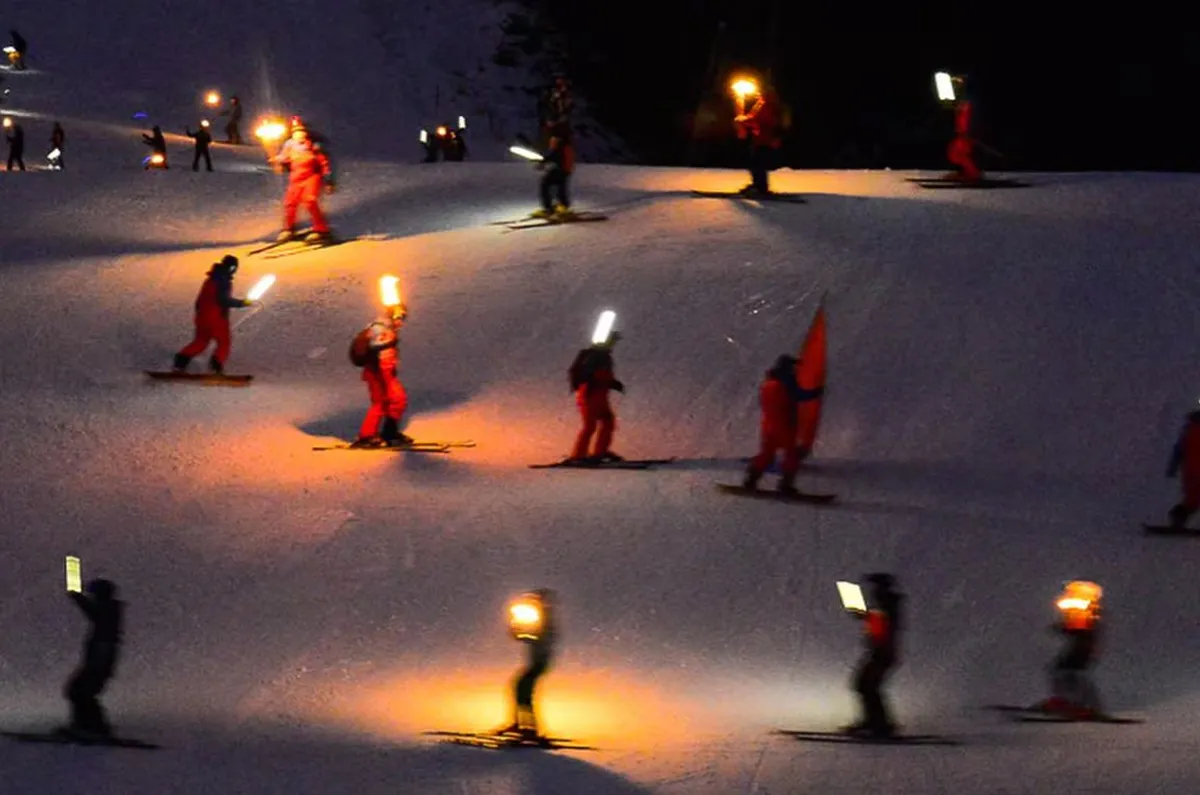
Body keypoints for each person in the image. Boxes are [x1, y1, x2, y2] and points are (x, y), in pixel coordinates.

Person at [743, 354, 824, 494]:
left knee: (767, 454)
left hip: (768, 425)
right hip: (785, 425)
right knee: (791, 455)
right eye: (793, 367)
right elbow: (800, 395)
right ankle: (785, 485)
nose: (794, 370)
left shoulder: (767, 383)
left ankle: (750, 480)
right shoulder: (787, 381)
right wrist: (817, 392)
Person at [172, 255, 257, 374]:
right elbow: (222, 300)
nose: (234, 271)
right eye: (233, 268)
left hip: (202, 316)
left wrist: (200, 314)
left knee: (201, 341)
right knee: (224, 342)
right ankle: (215, 367)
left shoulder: (211, 279)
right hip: (216, 317)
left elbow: (199, 300)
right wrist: (242, 303)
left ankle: (179, 363)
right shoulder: (223, 280)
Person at [843, 573, 902, 738]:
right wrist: (866, 616)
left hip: (883, 653)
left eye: (875, 588)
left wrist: (866, 616)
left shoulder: (887, 604)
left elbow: (883, 625)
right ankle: (875, 722)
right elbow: (880, 623)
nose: (872, 593)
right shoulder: (886, 604)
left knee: (867, 686)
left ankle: (879, 725)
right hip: (881, 652)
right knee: (867, 686)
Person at [1033, 581, 1103, 719]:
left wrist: (1063, 628)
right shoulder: (1082, 607)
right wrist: (1063, 626)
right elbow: (1076, 626)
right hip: (1081, 647)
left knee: (1069, 673)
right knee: (1064, 672)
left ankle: (1078, 705)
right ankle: (1067, 702)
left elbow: (1082, 629)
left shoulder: (1087, 607)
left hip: (1083, 648)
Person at [63, 579, 123, 739]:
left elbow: (95, 615)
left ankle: (91, 727)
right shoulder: (110, 610)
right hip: (98, 662)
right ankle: (88, 726)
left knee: (80, 692)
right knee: (80, 692)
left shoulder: (109, 610)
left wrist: (78, 598)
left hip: (98, 662)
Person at [348, 302, 411, 448]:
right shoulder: (381, 329)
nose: (400, 322)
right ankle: (368, 436)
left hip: (383, 372)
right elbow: (377, 348)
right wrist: (389, 344)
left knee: (394, 400)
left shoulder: (384, 328)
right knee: (385, 402)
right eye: (399, 318)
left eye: (402, 318)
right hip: (378, 373)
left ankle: (389, 433)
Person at [498, 589, 557, 740]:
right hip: (538, 662)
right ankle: (520, 724)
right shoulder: (545, 618)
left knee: (523, 692)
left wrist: (519, 633)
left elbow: (537, 638)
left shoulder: (547, 620)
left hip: (539, 663)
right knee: (519, 689)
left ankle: (530, 728)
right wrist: (519, 633)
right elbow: (533, 637)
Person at [270, 117, 335, 243]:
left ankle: (321, 230)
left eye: (301, 133)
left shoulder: (313, 147)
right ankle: (288, 229)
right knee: (290, 203)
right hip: (296, 178)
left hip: (311, 177)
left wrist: (328, 180)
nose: (299, 135)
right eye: (296, 133)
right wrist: (276, 161)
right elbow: (284, 157)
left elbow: (324, 163)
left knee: (309, 200)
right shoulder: (290, 145)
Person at [567, 332, 624, 463]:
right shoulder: (595, 355)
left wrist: (613, 383)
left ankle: (599, 452)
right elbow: (591, 375)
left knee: (607, 422)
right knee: (590, 425)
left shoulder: (602, 356)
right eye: (612, 341)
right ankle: (579, 456)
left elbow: (600, 375)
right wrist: (609, 382)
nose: (613, 344)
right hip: (590, 394)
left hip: (599, 395)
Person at [734, 84, 783, 195]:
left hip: (766, 139)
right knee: (755, 163)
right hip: (760, 139)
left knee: (758, 163)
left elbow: (759, 120)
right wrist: (744, 120)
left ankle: (760, 187)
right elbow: (753, 117)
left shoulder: (768, 105)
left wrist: (744, 120)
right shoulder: (761, 104)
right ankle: (757, 185)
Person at [1166, 408, 1200, 528]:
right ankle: (1178, 517)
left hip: (1190, 471)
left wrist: (1172, 467)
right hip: (1192, 471)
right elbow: (1179, 450)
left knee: (1192, 500)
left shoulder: (1188, 430)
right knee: (1193, 499)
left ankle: (1178, 517)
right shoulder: (1189, 430)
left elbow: (1178, 450)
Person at [534, 123, 574, 218]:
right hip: (564, 167)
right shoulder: (557, 137)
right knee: (558, 185)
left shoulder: (559, 137)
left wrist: (544, 162)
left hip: (563, 167)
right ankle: (559, 207)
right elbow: (555, 154)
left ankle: (556, 208)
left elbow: (557, 155)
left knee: (548, 184)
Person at [946, 75, 981, 182]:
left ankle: (973, 174)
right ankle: (965, 172)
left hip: (968, 132)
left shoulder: (970, 100)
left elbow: (971, 116)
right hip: (963, 132)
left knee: (960, 153)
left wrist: (970, 131)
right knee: (955, 152)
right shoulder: (963, 99)